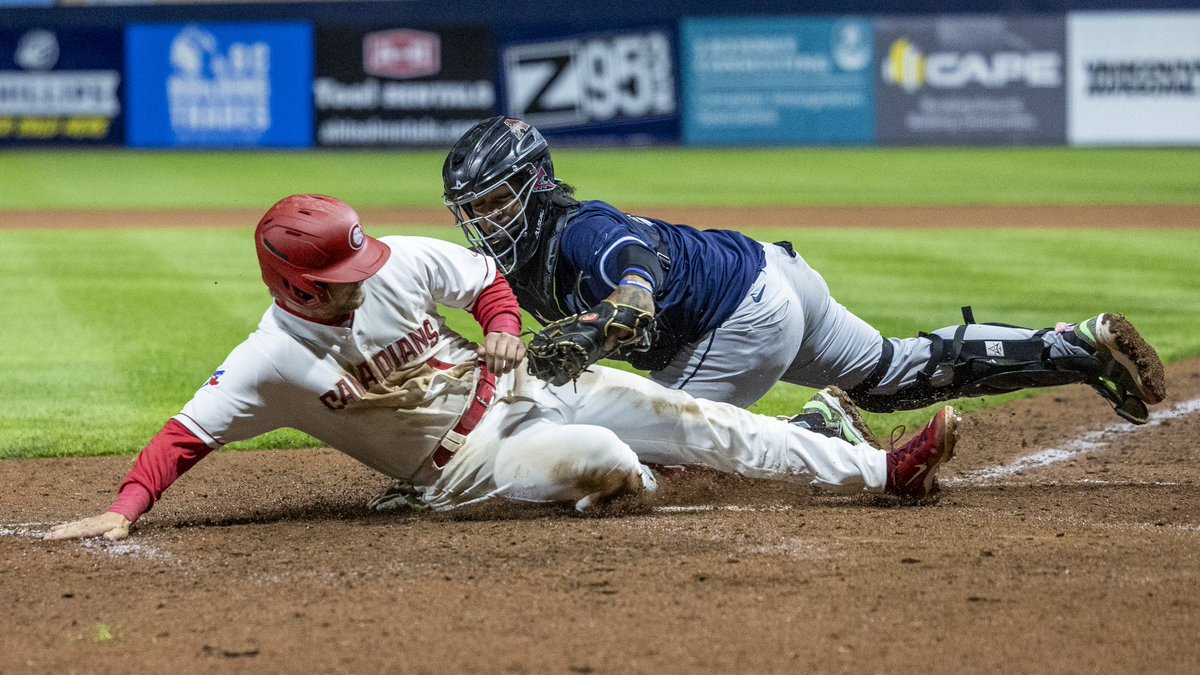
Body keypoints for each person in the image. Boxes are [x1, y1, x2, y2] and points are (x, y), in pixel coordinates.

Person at [46, 194, 958, 542]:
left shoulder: (394, 261)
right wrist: (124, 512)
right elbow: (182, 436)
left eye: (359, 268)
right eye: (336, 282)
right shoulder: (270, 361)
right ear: (291, 282)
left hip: (526, 386)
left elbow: (480, 278)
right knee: (608, 457)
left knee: (693, 418)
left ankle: (883, 468)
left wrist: (507, 324)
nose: (361, 286)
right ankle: (610, 482)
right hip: (465, 466)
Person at [441, 116, 1168, 426]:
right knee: (893, 374)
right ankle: (1071, 347)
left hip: (738, 318)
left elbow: (635, 267)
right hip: (774, 274)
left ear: (535, 183)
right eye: (473, 207)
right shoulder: (515, 257)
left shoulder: (580, 231)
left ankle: (820, 431)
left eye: (496, 198)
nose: (484, 217)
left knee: (644, 452)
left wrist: (622, 304)